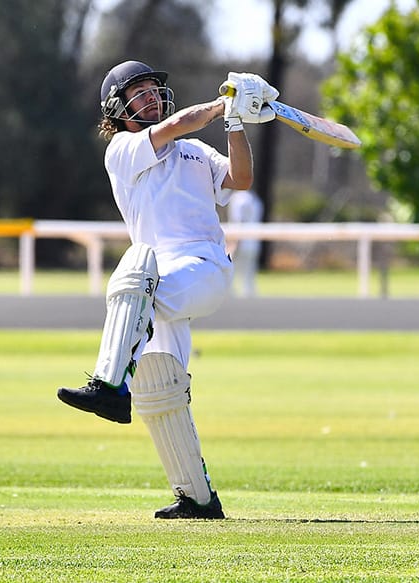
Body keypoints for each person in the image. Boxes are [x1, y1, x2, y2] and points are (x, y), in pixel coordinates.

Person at [56, 60, 278, 519]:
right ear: (118, 109)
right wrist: (224, 104)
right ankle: (197, 498)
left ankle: (108, 386)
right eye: (139, 93)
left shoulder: (196, 152)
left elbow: (241, 179)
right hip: (157, 290)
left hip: (203, 268)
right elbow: (178, 123)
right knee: (159, 386)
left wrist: (235, 123)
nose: (151, 98)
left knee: (136, 272)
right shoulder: (122, 150)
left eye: (154, 89)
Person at [225, 188, 263, 297]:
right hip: (254, 243)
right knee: (248, 279)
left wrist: (233, 244)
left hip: (241, 243)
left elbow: (239, 222)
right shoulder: (255, 199)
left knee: (230, 276)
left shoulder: (239, 199)